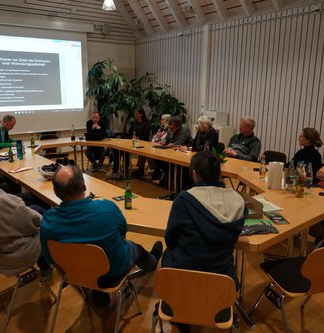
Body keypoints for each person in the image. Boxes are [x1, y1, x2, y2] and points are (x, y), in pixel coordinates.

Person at [162, 151, 246, 332]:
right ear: (220, 173)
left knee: (167, 255)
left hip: (183, 279)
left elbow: (170, 239)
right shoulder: (238, 201)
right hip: (222, 282)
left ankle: (183, 316)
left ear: (194, 173)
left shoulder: (183, 200)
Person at [41, 165, 163, 287]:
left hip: (73, 272)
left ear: (56, 193)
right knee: (136, 247)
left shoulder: (48, 220)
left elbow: (49, 258)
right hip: (113, 271)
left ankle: (97, 295)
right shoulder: (107, 209)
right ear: (84, 186)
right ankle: (152, 262)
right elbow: (123, 230)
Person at [111, 109, 152, 178]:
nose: (135, 115)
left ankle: (125, 169)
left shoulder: (146, 124)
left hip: (142, 143)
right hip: (132, 142)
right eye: (135, 114)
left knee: (126, 150)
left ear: (141, 114)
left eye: (136, 114)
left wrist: (137, 138)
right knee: (118, 150)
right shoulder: (134, 123)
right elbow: (130, 133)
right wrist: (129, 139)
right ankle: (117, 169)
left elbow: (146, 136)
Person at [154, 116, 192, 186]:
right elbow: (166, 139)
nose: (170, 130)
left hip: (184, 154)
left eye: (172, 128)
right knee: (157, 158)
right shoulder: (170, 129)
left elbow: (179, 143)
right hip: (172, 152)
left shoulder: (184, 129)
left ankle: (171, 176)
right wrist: (164, 141)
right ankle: (168, 174)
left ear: (178, 127)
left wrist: (172, 144)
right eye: (169, 128)